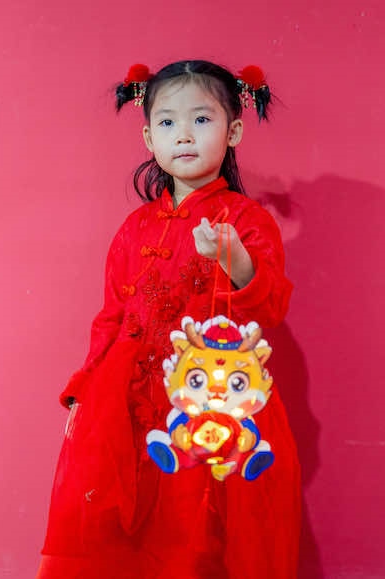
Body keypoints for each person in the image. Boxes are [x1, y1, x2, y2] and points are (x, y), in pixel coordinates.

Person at [35, 60, 301, 579]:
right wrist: (84, 389)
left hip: (209, 401)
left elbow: (269, 307)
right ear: (148, 138)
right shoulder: (134, 227)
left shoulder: (245, 220)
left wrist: (234, 260)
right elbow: (112, 316)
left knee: (194, 530)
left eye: (201, 120)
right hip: (128, 404)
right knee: (122, 530)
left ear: (234, 131)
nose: (184, 135)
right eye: (167, 122)